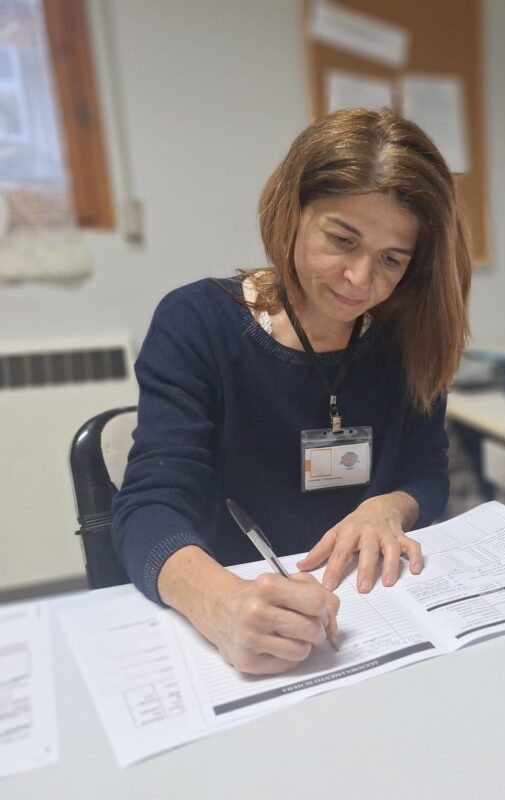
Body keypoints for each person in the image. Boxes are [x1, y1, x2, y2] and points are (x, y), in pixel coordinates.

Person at [112, 108, 472, 675]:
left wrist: (387, 508)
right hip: (239, 606)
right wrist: (221, 603)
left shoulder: (407, 335)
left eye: (391, 260)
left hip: (375, 611)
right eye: (341, 239)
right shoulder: (196, 323)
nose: (361, 279)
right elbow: (149, 508)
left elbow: (426, 473)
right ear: (291, 212)